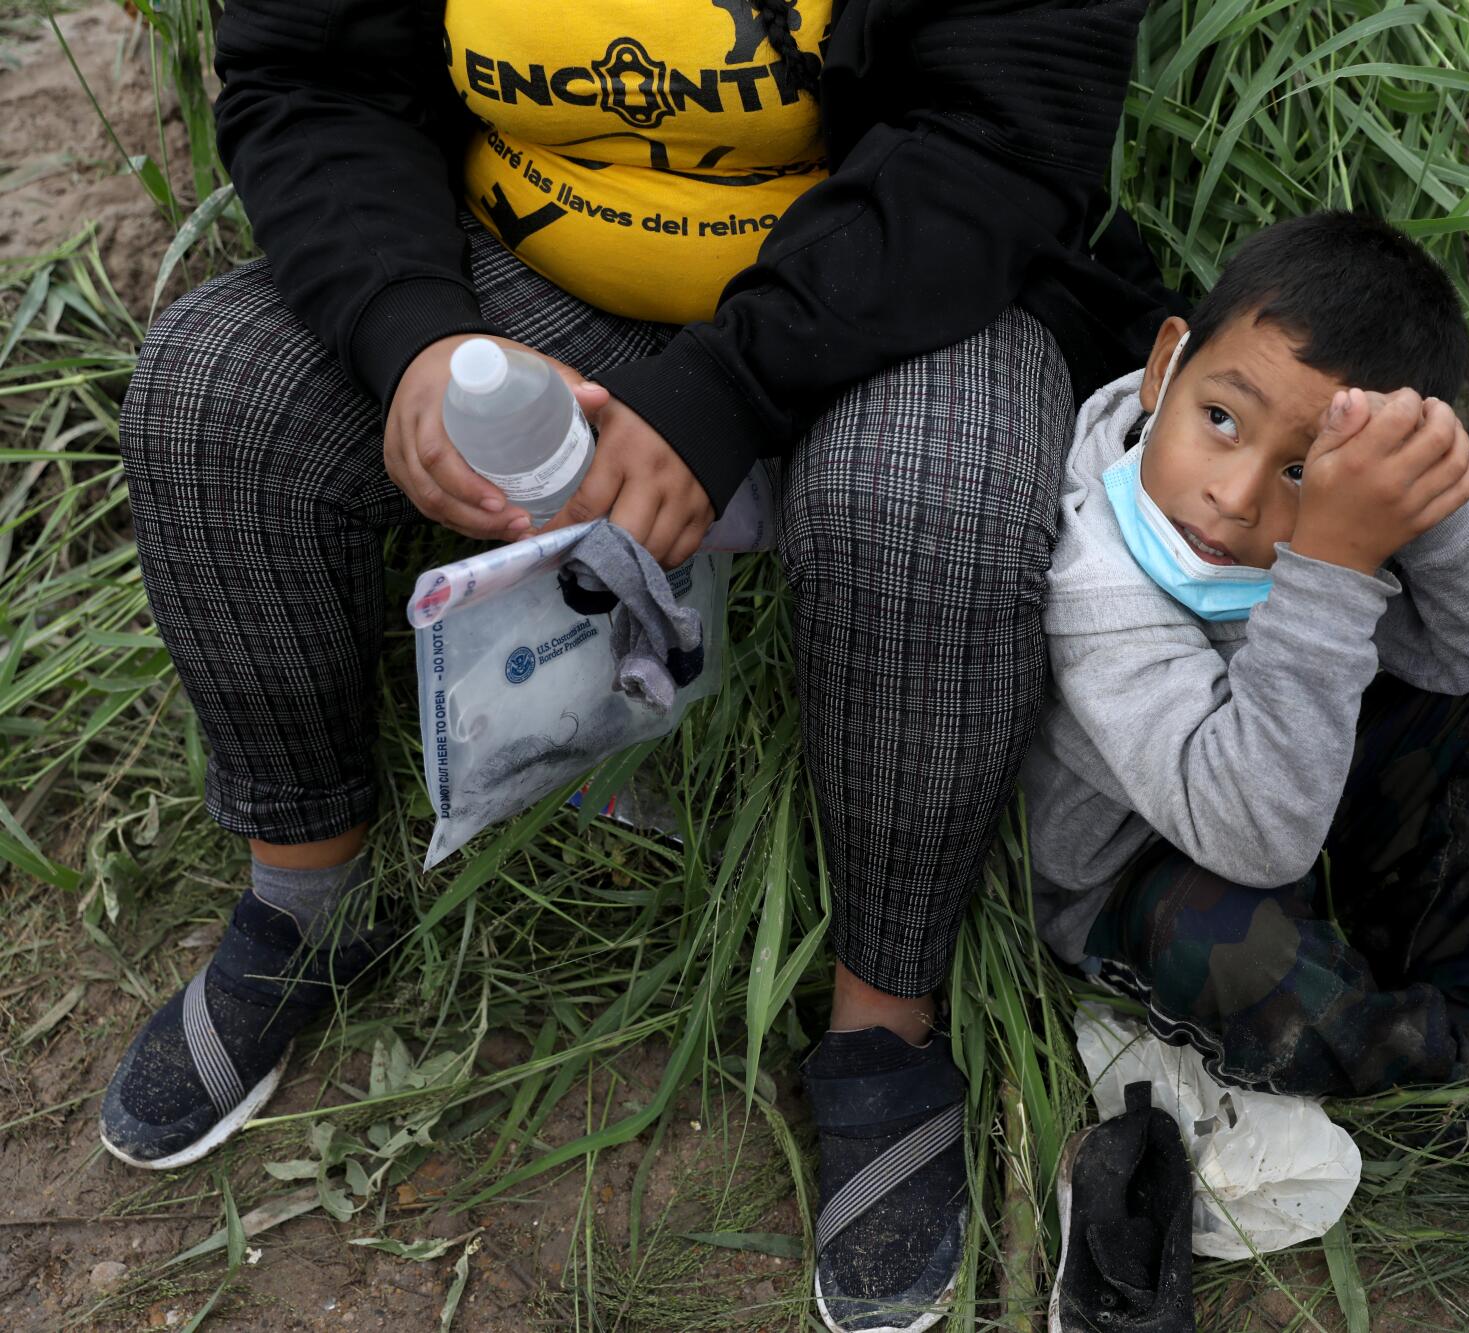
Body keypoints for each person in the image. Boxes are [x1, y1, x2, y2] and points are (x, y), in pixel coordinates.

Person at [102, 1, 1169, 1328]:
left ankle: (883, 1022)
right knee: (215, 397)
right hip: (525, 273)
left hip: (897, 284)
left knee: (933, 510)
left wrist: (723, 400)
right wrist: (414, 338)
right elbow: (308, 76)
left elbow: (999, 144)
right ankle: (306, 897)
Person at [1024, 212, 1469, 1177]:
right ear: (1166, 364)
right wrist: (1332, 563)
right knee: (1239, 954)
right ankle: (1440, 1071)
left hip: (1307, 783)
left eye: (1300, 469)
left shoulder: (1331, 523)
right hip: (1158, 869)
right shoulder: (1099, 582)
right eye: (1222, 419)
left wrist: (1439, 496)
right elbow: (1254, 836)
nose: (1237, 495)